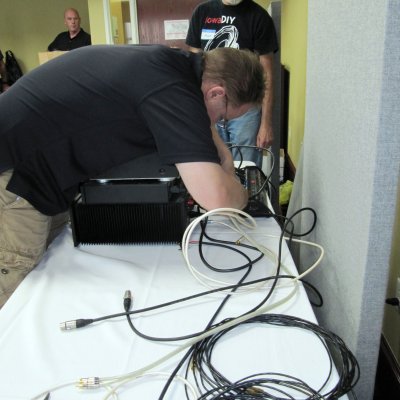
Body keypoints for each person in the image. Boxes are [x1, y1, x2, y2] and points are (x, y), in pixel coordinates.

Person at [0, 44, 265, 307]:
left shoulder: (175, 67)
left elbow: (205, 127)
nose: (219, 123)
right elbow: (216, 198)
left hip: (45, 173)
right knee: (16, 288)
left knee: (47, 274)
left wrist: (224, 156)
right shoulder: (173, 89)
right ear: (216, 92)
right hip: (18, 173)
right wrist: (244, 196)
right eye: (224, 117)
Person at [186, 0, 278, 167]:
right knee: (212, 162)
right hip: (210, 103)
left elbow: (267, 75)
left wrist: (266, 123)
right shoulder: (202, 12)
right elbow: (193, 66)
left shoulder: (259, 17)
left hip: (244, 108)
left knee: (246, 164)